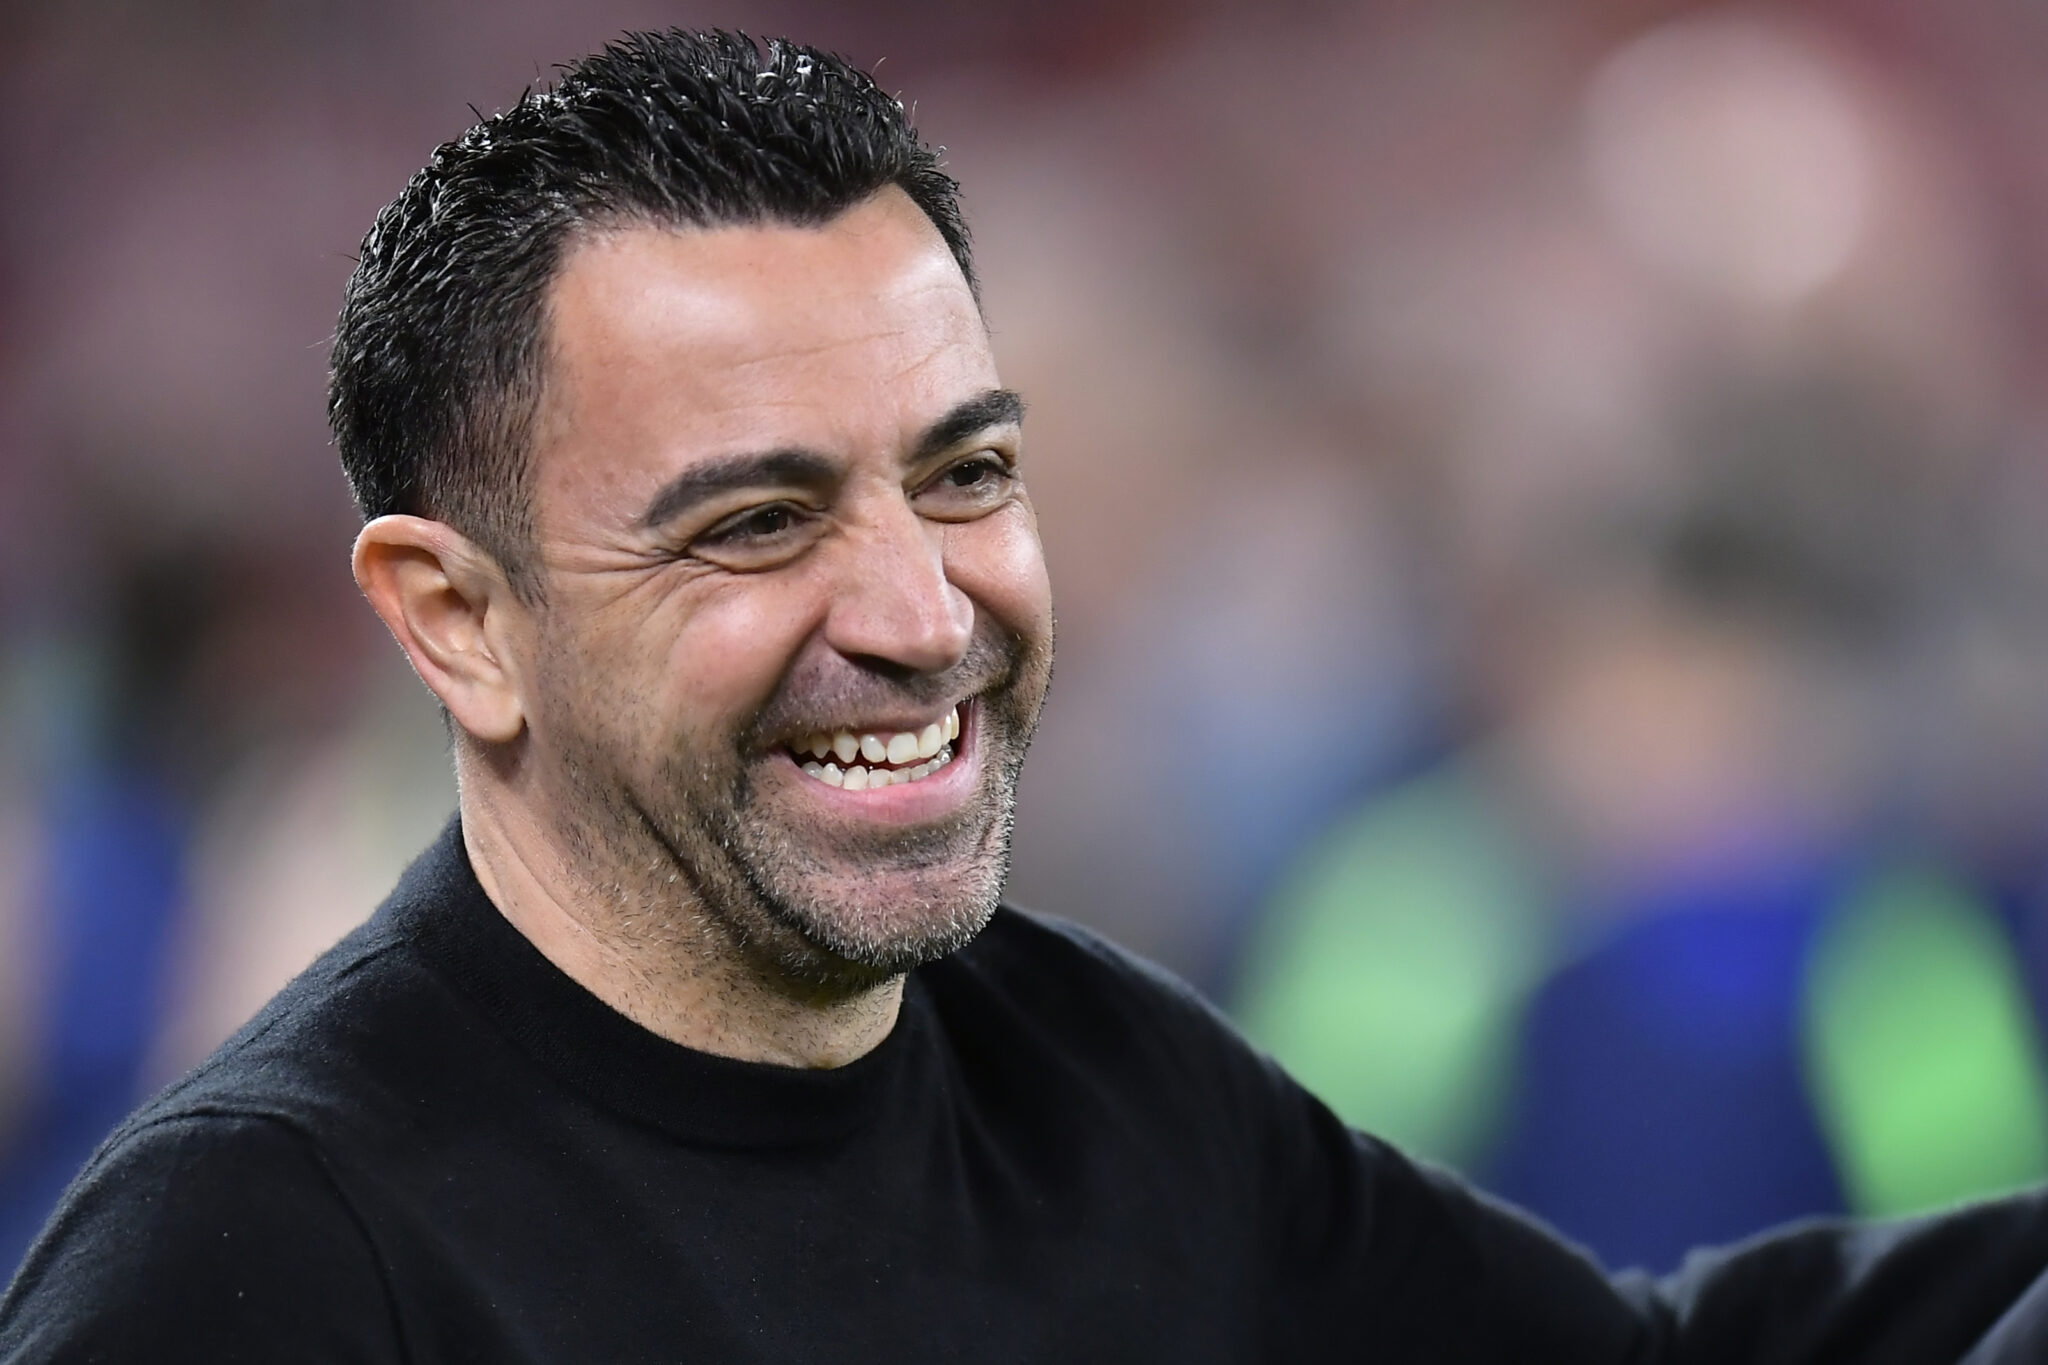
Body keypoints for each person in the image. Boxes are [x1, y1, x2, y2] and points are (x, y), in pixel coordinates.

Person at [5, 28, 2048, 1361]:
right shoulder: (252, 1263)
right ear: (456, 620)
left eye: (967, 474)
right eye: (756, 522)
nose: (922, 608)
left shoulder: (1097, 1084)